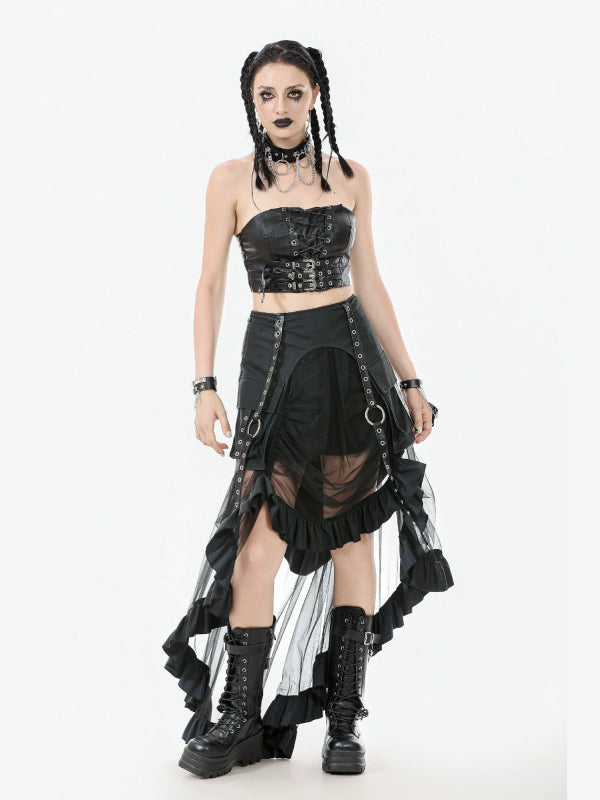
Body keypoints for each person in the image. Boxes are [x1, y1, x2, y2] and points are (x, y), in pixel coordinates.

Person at [162, 39, 454, 779]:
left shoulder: (350, 177)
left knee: (353, 541)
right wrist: (203, 385)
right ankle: (239, 719)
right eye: (267, 95)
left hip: (351, 366)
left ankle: (345, 723)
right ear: (251, 103)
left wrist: (410, 380)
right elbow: (208, 286)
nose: (281, 106)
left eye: (295, 92)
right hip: (274, 370)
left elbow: (371, 282)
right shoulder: (229, 180)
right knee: (256, 548)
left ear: (315, 95)